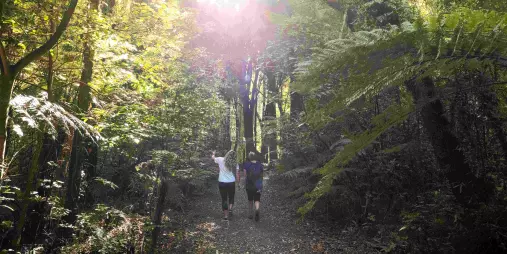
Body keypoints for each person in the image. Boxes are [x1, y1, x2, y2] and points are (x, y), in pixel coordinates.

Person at [212, 150, 239, 221]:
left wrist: (213, 153)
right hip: (231, 182)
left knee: (224, 199)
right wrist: (238, 183)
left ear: (227, 154)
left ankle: (226, 216)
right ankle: (230, 209)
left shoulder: (220, 159)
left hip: (222, 182)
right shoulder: (235, 163)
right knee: (231, 197)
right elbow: (237, 174)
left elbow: (213, 158)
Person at [243, 152, 263, 221]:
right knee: (257, 199)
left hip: (249, 184)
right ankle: (257, 209)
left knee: (250, 199)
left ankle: (250, 214)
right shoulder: (259, 164)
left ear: (249, 157)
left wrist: (244, 182)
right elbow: (262, 174)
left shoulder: (246, 164)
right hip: (258, 184)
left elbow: (245, 175)